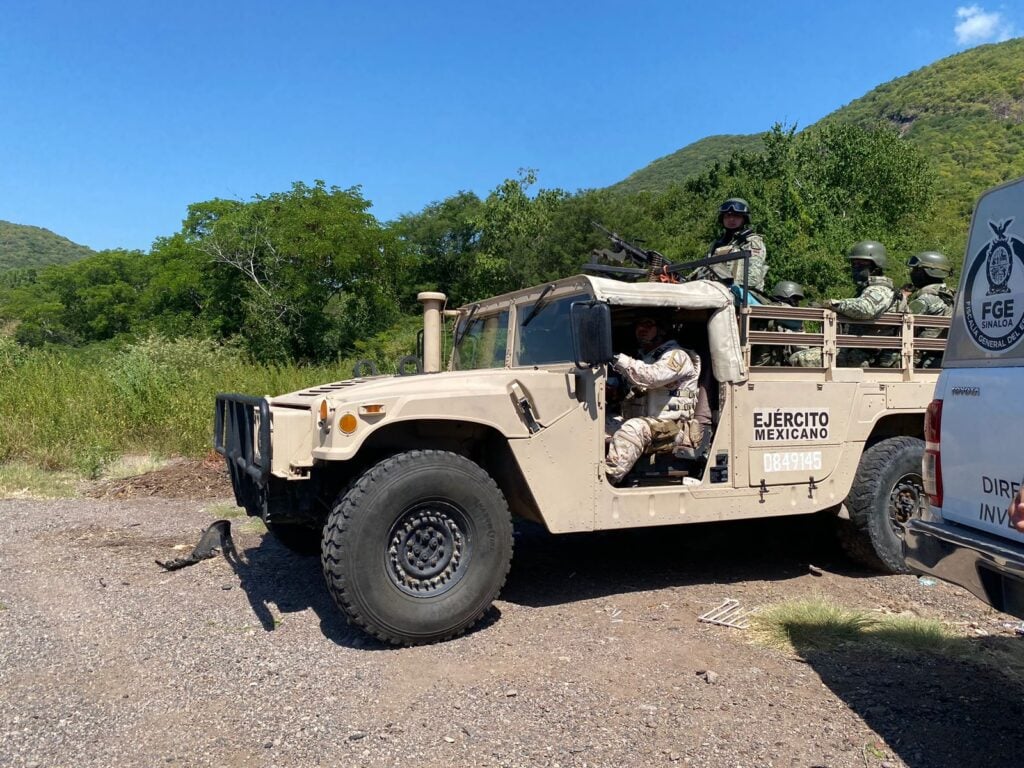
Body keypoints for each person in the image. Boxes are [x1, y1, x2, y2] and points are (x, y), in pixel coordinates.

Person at [605, 314, 701, 484]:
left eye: (648, 324)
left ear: (662, 329)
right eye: (639, 325)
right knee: (598, 423)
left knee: (633, 429)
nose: (641, 329)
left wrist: (617, 358)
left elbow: (652, 377)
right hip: (648, 426)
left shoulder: (677, 356)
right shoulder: (644, 358)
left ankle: (606, 481)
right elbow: (631, 388)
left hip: (671, 430)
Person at [790, 241, 899, 367]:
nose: (855, 267)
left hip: (867, 354)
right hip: (856, 349)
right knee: (800, 354)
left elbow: (865, 308)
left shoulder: (880, 289)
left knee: (798, 359)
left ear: (876, 265)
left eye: (861, 264)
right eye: (853, 264)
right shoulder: (868, 289)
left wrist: (831, 304)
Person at [702, 198, 768, 293]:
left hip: (745, 294)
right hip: (716, 290)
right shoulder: (717, 244)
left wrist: (729, 286)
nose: (731, 219)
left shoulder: (751, 242)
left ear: (744, 219)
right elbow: (704, 268)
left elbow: (753, 278)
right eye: (727, 216)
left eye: (736, 216)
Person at [906, 251, 955, 368]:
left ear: (928, 272)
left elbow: (900, 322)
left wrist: (902, 299)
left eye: (916, 270)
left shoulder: (926, 299)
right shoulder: (953, 296)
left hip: (922, 359)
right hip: (944, 356)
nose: (913, 273)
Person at [751, 280, 807, 366]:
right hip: (768, 361)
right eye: (795, 299)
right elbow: (799, 328)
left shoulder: (767, 306)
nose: (797, 303)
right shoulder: (783, 309)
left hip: (762, 360)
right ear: (788, 297)